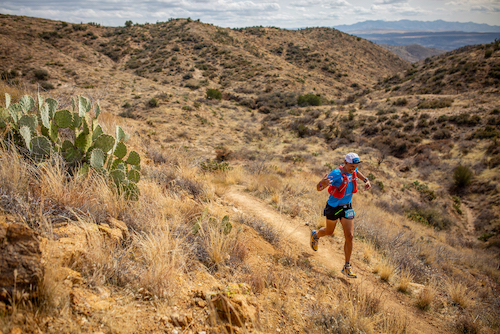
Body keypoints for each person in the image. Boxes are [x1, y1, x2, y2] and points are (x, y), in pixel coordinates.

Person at [310, 152, 371, 278]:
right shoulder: (336, 174)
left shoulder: (353, 169)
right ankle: (316, 235)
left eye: (356, 165)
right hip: (333, 207)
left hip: (347, 207)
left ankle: (347, 266)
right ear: (345, 162)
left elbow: (357, 172)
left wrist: (365, 180)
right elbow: (318, 188)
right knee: (329, 231)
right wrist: (322, 183)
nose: (353, 168)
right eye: (351, 166)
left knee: (349, 236)